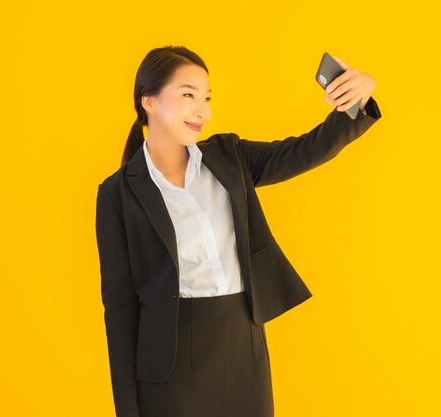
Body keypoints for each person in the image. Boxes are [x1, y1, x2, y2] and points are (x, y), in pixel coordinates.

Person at [95, 45, 381, 417]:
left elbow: (307, 150)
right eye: (188, 95)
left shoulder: (230, 157)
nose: (202, 109)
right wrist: (126, 411)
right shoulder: (117, 193)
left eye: (207, 97)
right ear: (148, 101)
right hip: (168, 369)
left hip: (243, 350)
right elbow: (118, 311)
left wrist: (361, 95)